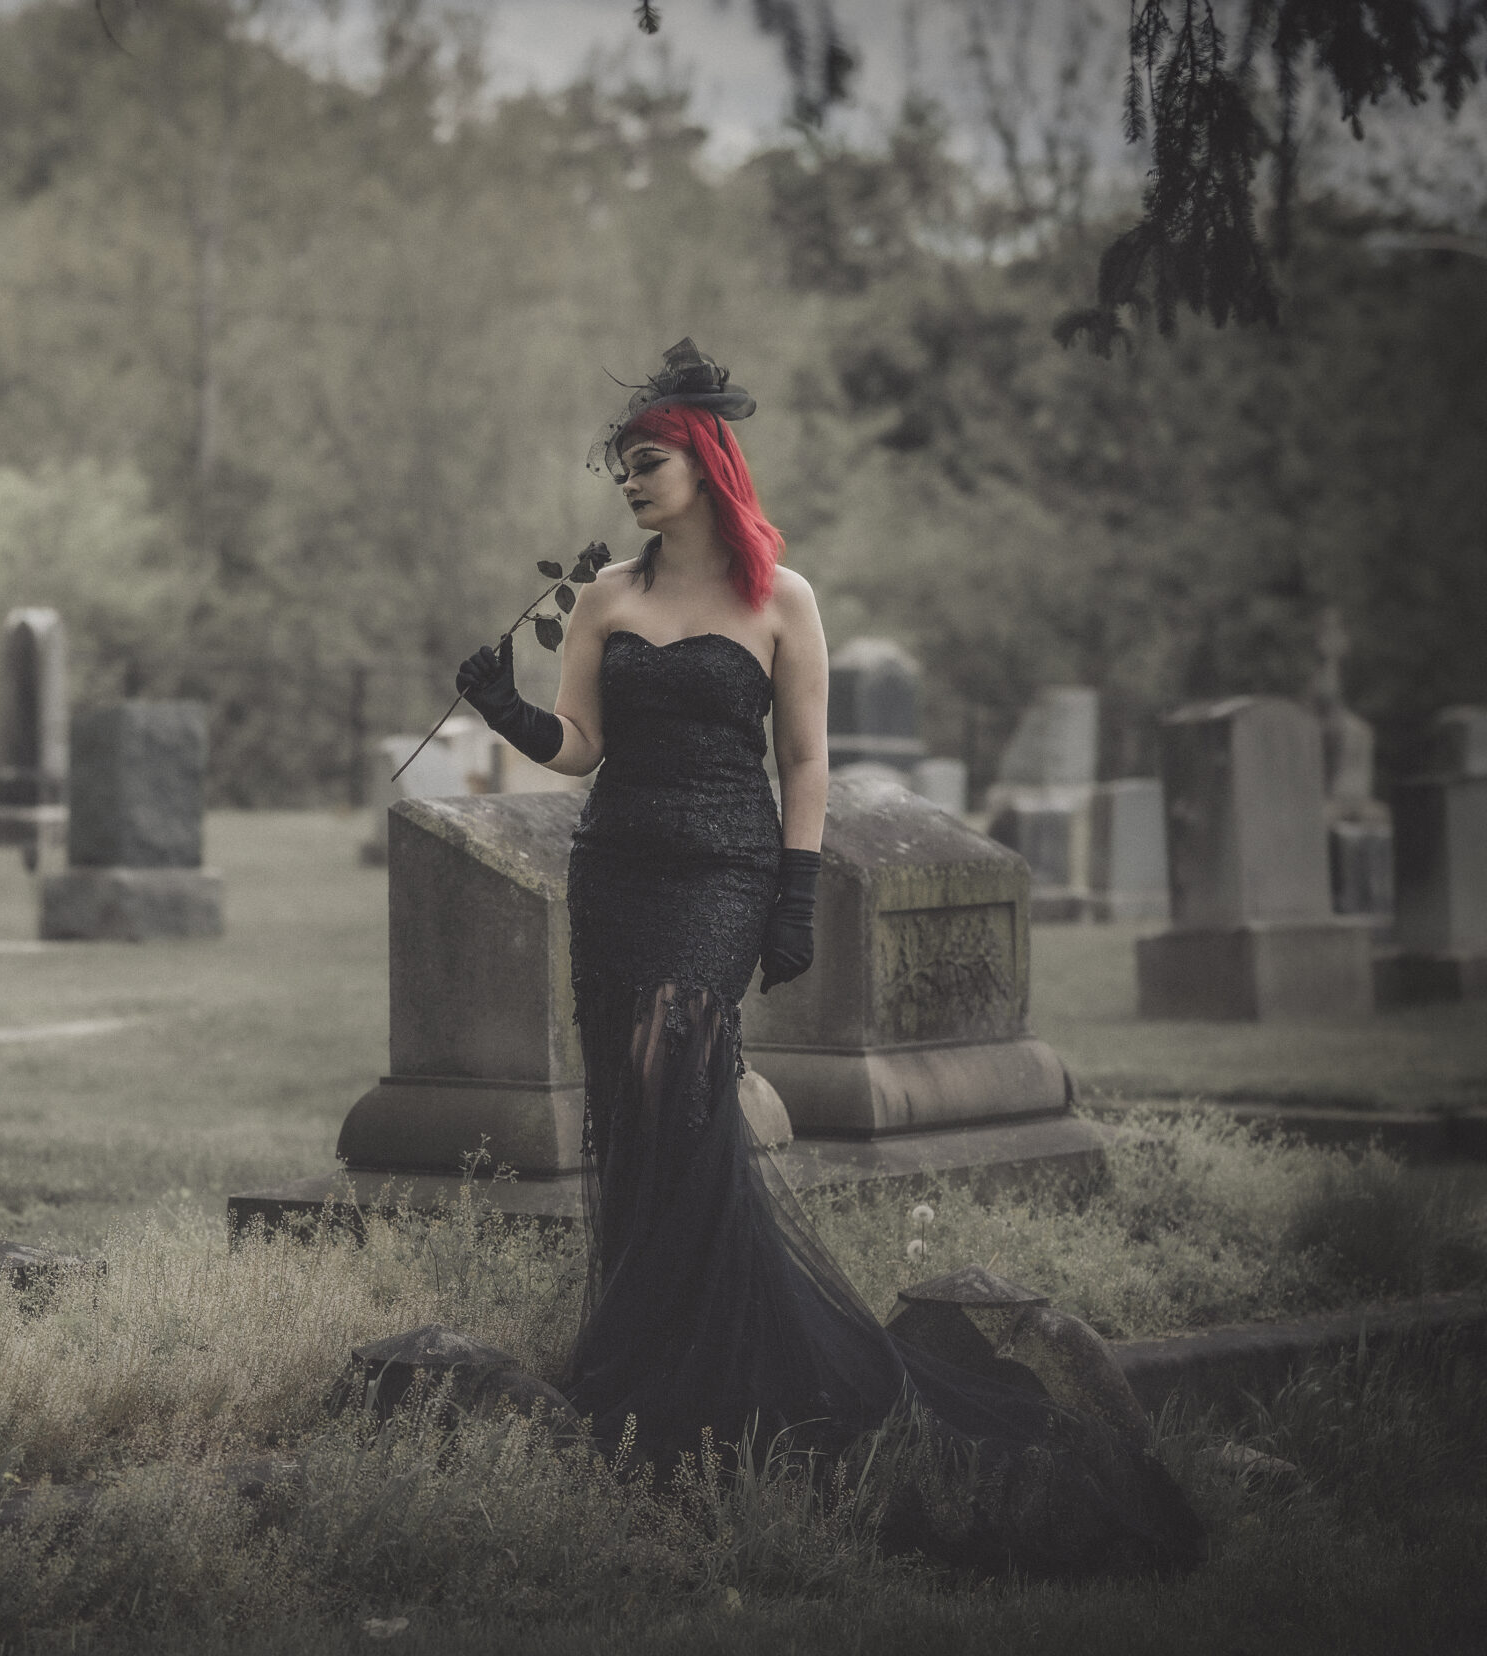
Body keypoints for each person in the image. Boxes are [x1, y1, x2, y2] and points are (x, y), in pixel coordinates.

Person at [452, 339, 1202, 1579]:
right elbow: (579, 748)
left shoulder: (780, 599)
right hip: (620, 873)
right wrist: (500, 705)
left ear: (702, 463)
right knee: (633, 1110)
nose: (628, 485)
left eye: (646, 464)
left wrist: (792, 900)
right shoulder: (603, 599)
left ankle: (716, 1363)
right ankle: (657, 1349)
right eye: (619, 469)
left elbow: (804, 766)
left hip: (725, 876)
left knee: (679, 1084)